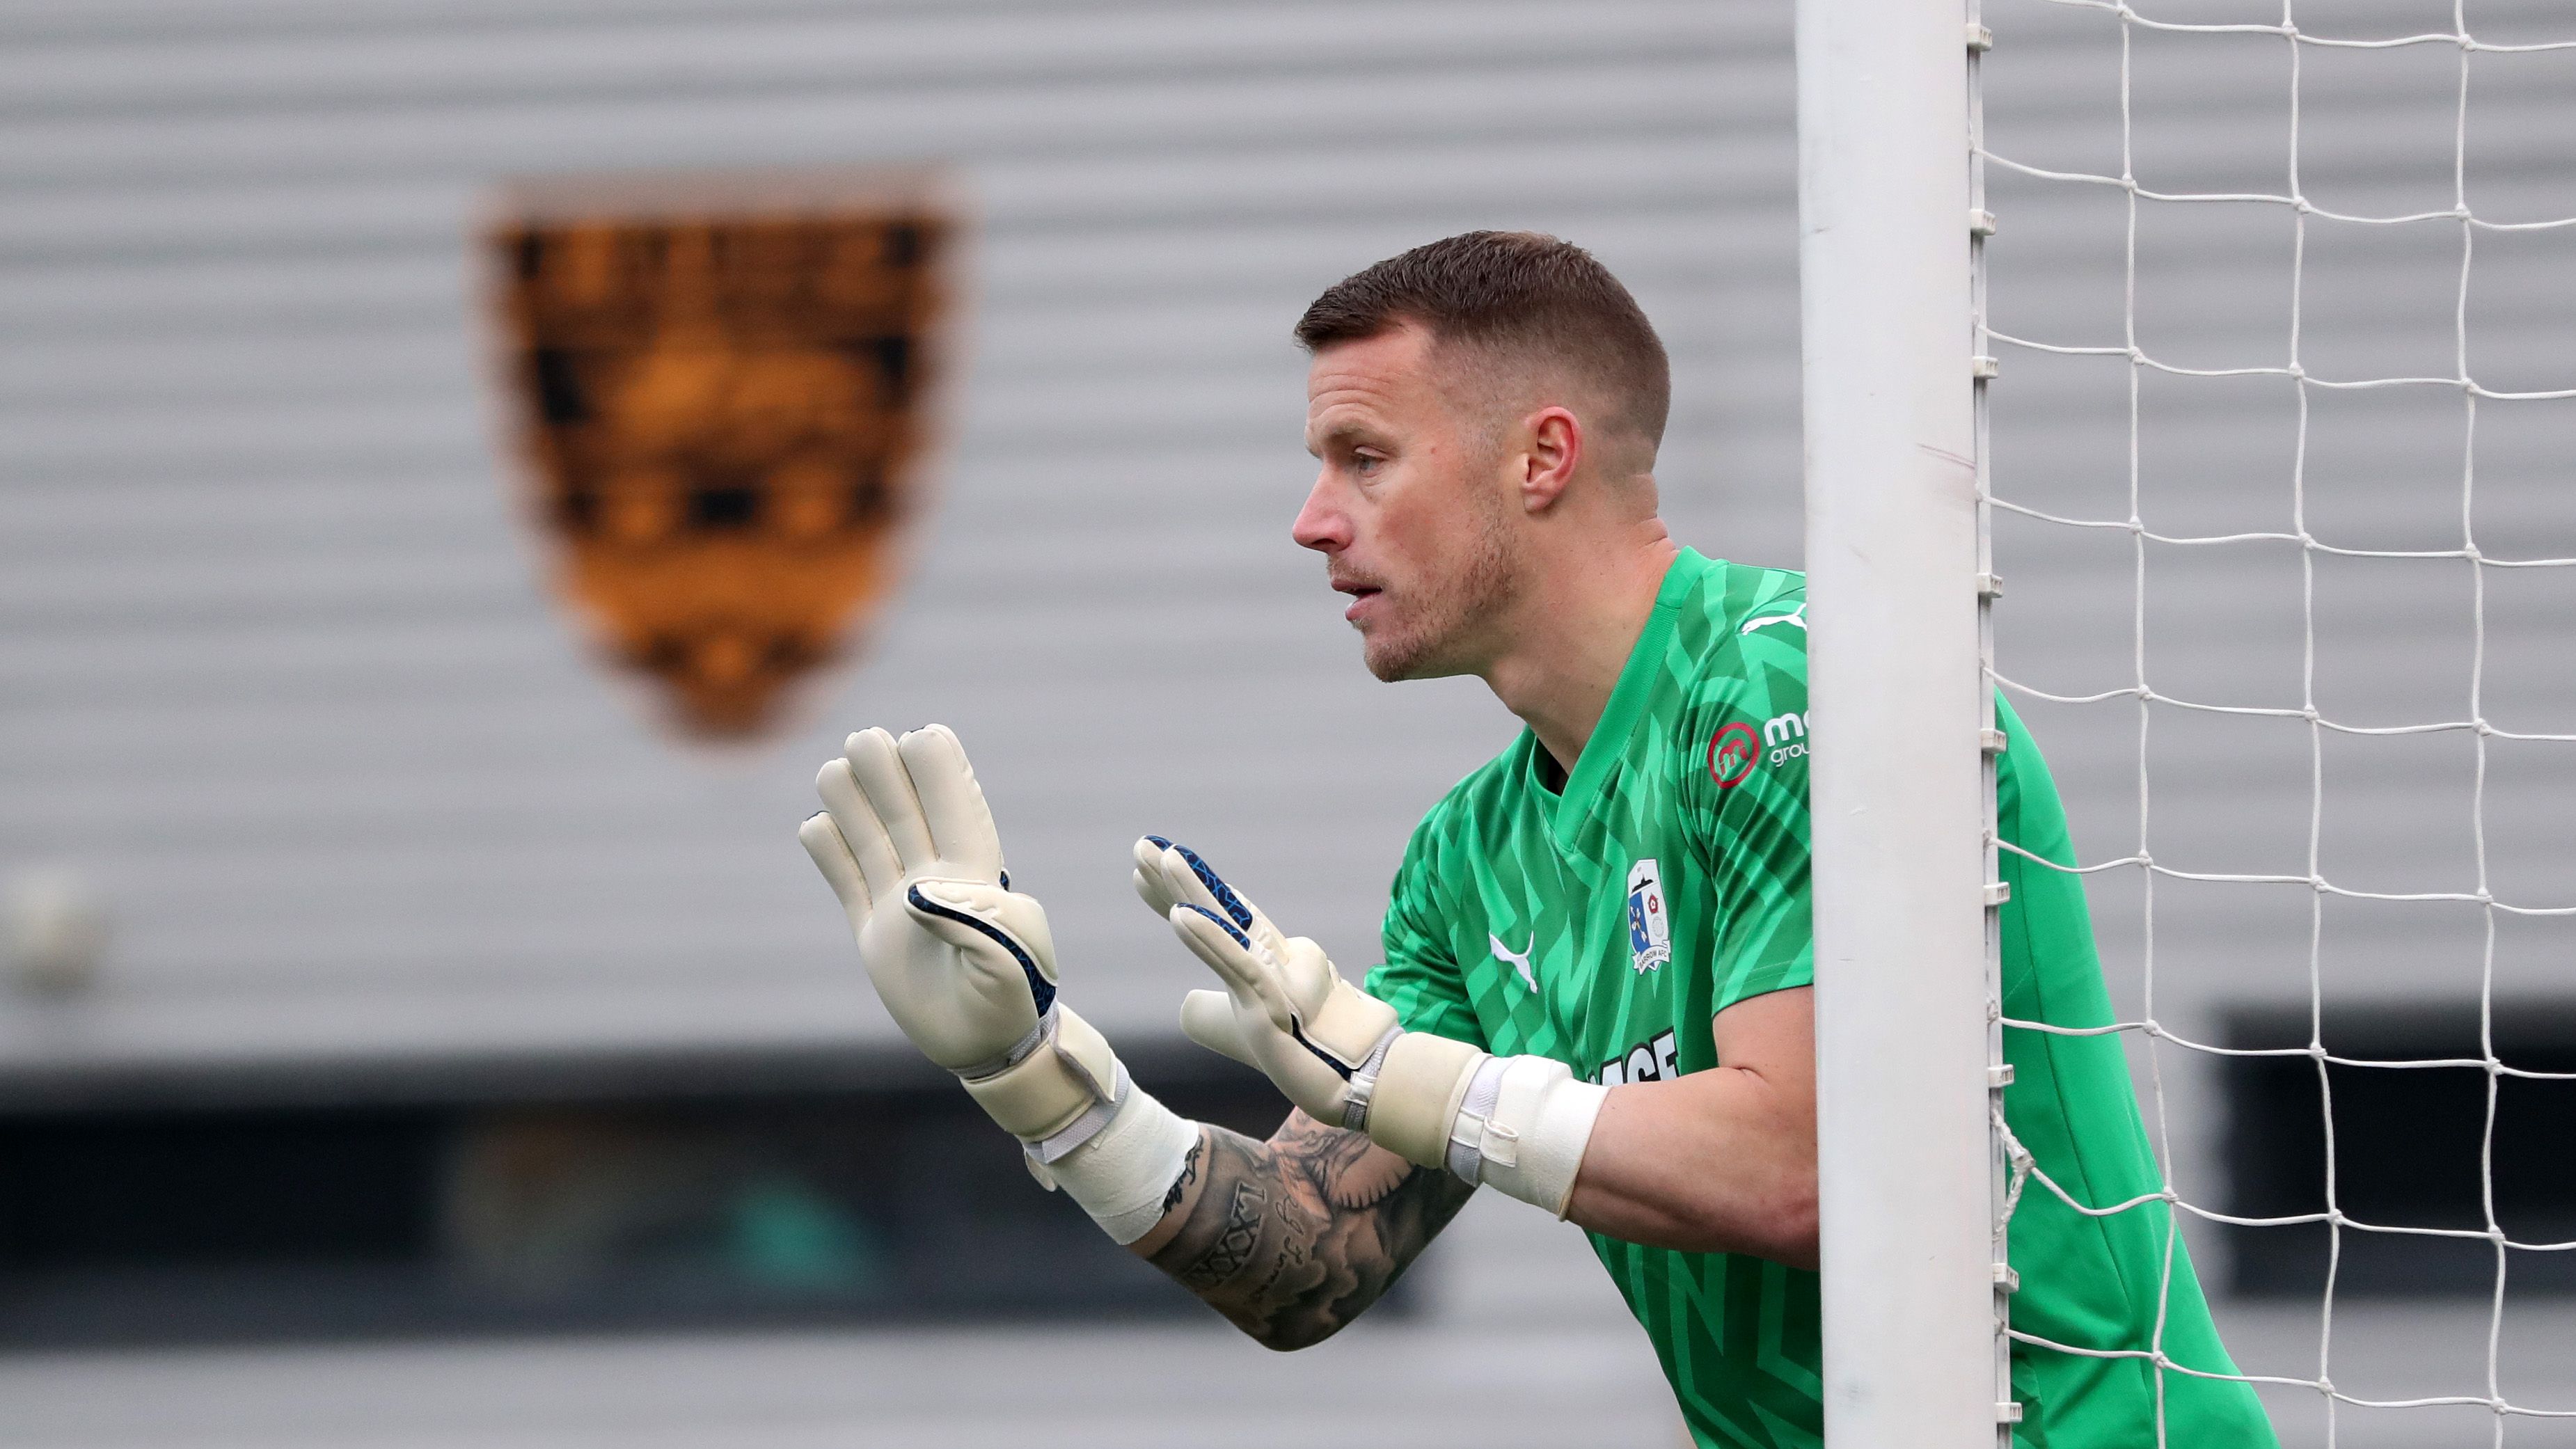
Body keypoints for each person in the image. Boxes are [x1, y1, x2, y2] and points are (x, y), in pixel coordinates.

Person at [798, 231, 2278, 1448]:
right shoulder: (1467, 860)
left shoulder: (1790, 682)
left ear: (1542, 458)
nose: (1313, 520)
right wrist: (1044, 1083)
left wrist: (1416, 1084)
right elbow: (1309, 1260)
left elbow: (1809, 1169)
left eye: (1363, 457)